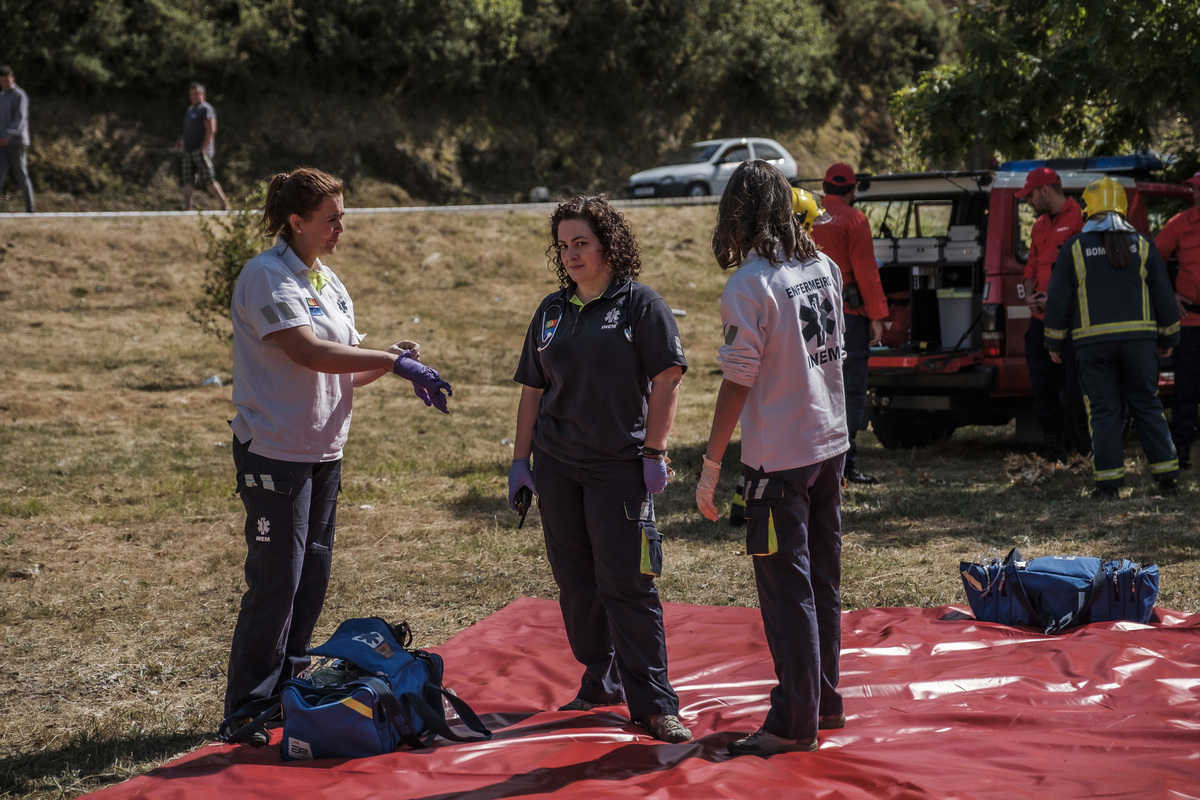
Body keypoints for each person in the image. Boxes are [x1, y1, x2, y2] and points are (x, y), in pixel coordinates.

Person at [221, 167, 453, 743]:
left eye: (342, 217)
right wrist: (392, 361)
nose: (340, 229)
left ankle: (288, 694)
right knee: (277, 582)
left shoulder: (325, 280)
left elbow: (341, 368)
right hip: (275, 452)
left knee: (311, 578)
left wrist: (389, 361)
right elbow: (308, 352)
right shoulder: (267, 276)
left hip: (323, 450)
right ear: (296, 221)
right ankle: (247, 708)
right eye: (330, 219)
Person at [507, 194, 691, 743]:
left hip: (619, 469)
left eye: (581, 243)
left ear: (609, 246)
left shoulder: (640, 304)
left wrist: (654, 452)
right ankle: (600, 679)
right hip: (557, 468)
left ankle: (655, 703)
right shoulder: (551, 311)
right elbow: (532, 390)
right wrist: (520, 461)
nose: (571, 254)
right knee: (575, 582)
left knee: (628, 583)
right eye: (563, 245)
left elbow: (668, 378)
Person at [696, 160, 849, 756]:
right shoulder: (824, 267)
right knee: (822, 582)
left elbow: (738, 379)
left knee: (788, 593)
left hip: (780, 460)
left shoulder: (750, 284)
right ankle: (824, 702)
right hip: (829, 446)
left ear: (736, 214)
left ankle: (793, 722)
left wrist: (711, 466)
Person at [1043, 177, 1180, 498]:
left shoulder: (1075, 248)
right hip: (1140, 343)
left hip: (1093, 346)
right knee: (1147, 405)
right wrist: (1168, 338)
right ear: (1123, 209)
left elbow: (1058, 299)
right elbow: (1163, 296)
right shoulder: (1143, 246)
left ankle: (1108, 486)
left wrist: (1053, 341)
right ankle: (1167, 479)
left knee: (1103, 411)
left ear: (1087, 210)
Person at [809, 162, 885, 484]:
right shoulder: (855, 220)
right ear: (853, 190)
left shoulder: (807, 218)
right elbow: (866, 270)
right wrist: (877, 316)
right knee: (850, 390)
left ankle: (816, 463)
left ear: (825, 187)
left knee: (817, 387)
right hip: (850, 317)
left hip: (812, 316)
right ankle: (845, 465)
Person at [1017, 166, 1086, 461]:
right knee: (1043, 385)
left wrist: (1055, 300)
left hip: (1071, 320)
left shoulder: (1080, 219)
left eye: (1031, 195)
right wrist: (1030, 294)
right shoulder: (1039, 225)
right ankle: (1053, 446)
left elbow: (1087, 274)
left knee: (1075, 390)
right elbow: (1031, 268)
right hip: (1040, 321)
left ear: (1046, 190)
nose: (1028, 202)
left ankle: (1080, 449)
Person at [1155, 170, 1200, 469]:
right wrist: (1169, 295)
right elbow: (1151, 260)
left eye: (1199, 190)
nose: (1195, 195)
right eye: (1194, 190)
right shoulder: (1180, 223)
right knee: (1186, 389)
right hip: (1191, 321)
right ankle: (1181, 448)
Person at [176, 82, 230, 211]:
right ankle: (187, 208)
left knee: (209, 180)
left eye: (197, 93)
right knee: (187, 180)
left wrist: (203, 148)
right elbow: (189, 129)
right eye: (192, 94)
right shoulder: (190, 109)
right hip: (188, 150)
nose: (194, 96)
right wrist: (182, 140)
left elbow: (211, 129)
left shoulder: (206, 109)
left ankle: (225, 205)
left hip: (200, 151)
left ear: (203, 95)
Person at [0, 65, 35, 213]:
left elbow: (20, 120)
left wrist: (7, 135)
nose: (5, 83)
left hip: (17, 142)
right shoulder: (1, 96)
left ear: (12, 79)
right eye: (2, 81)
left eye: (7, 80)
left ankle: (30, 211)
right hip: (2, 143)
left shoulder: (20, 95)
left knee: (21, 175)